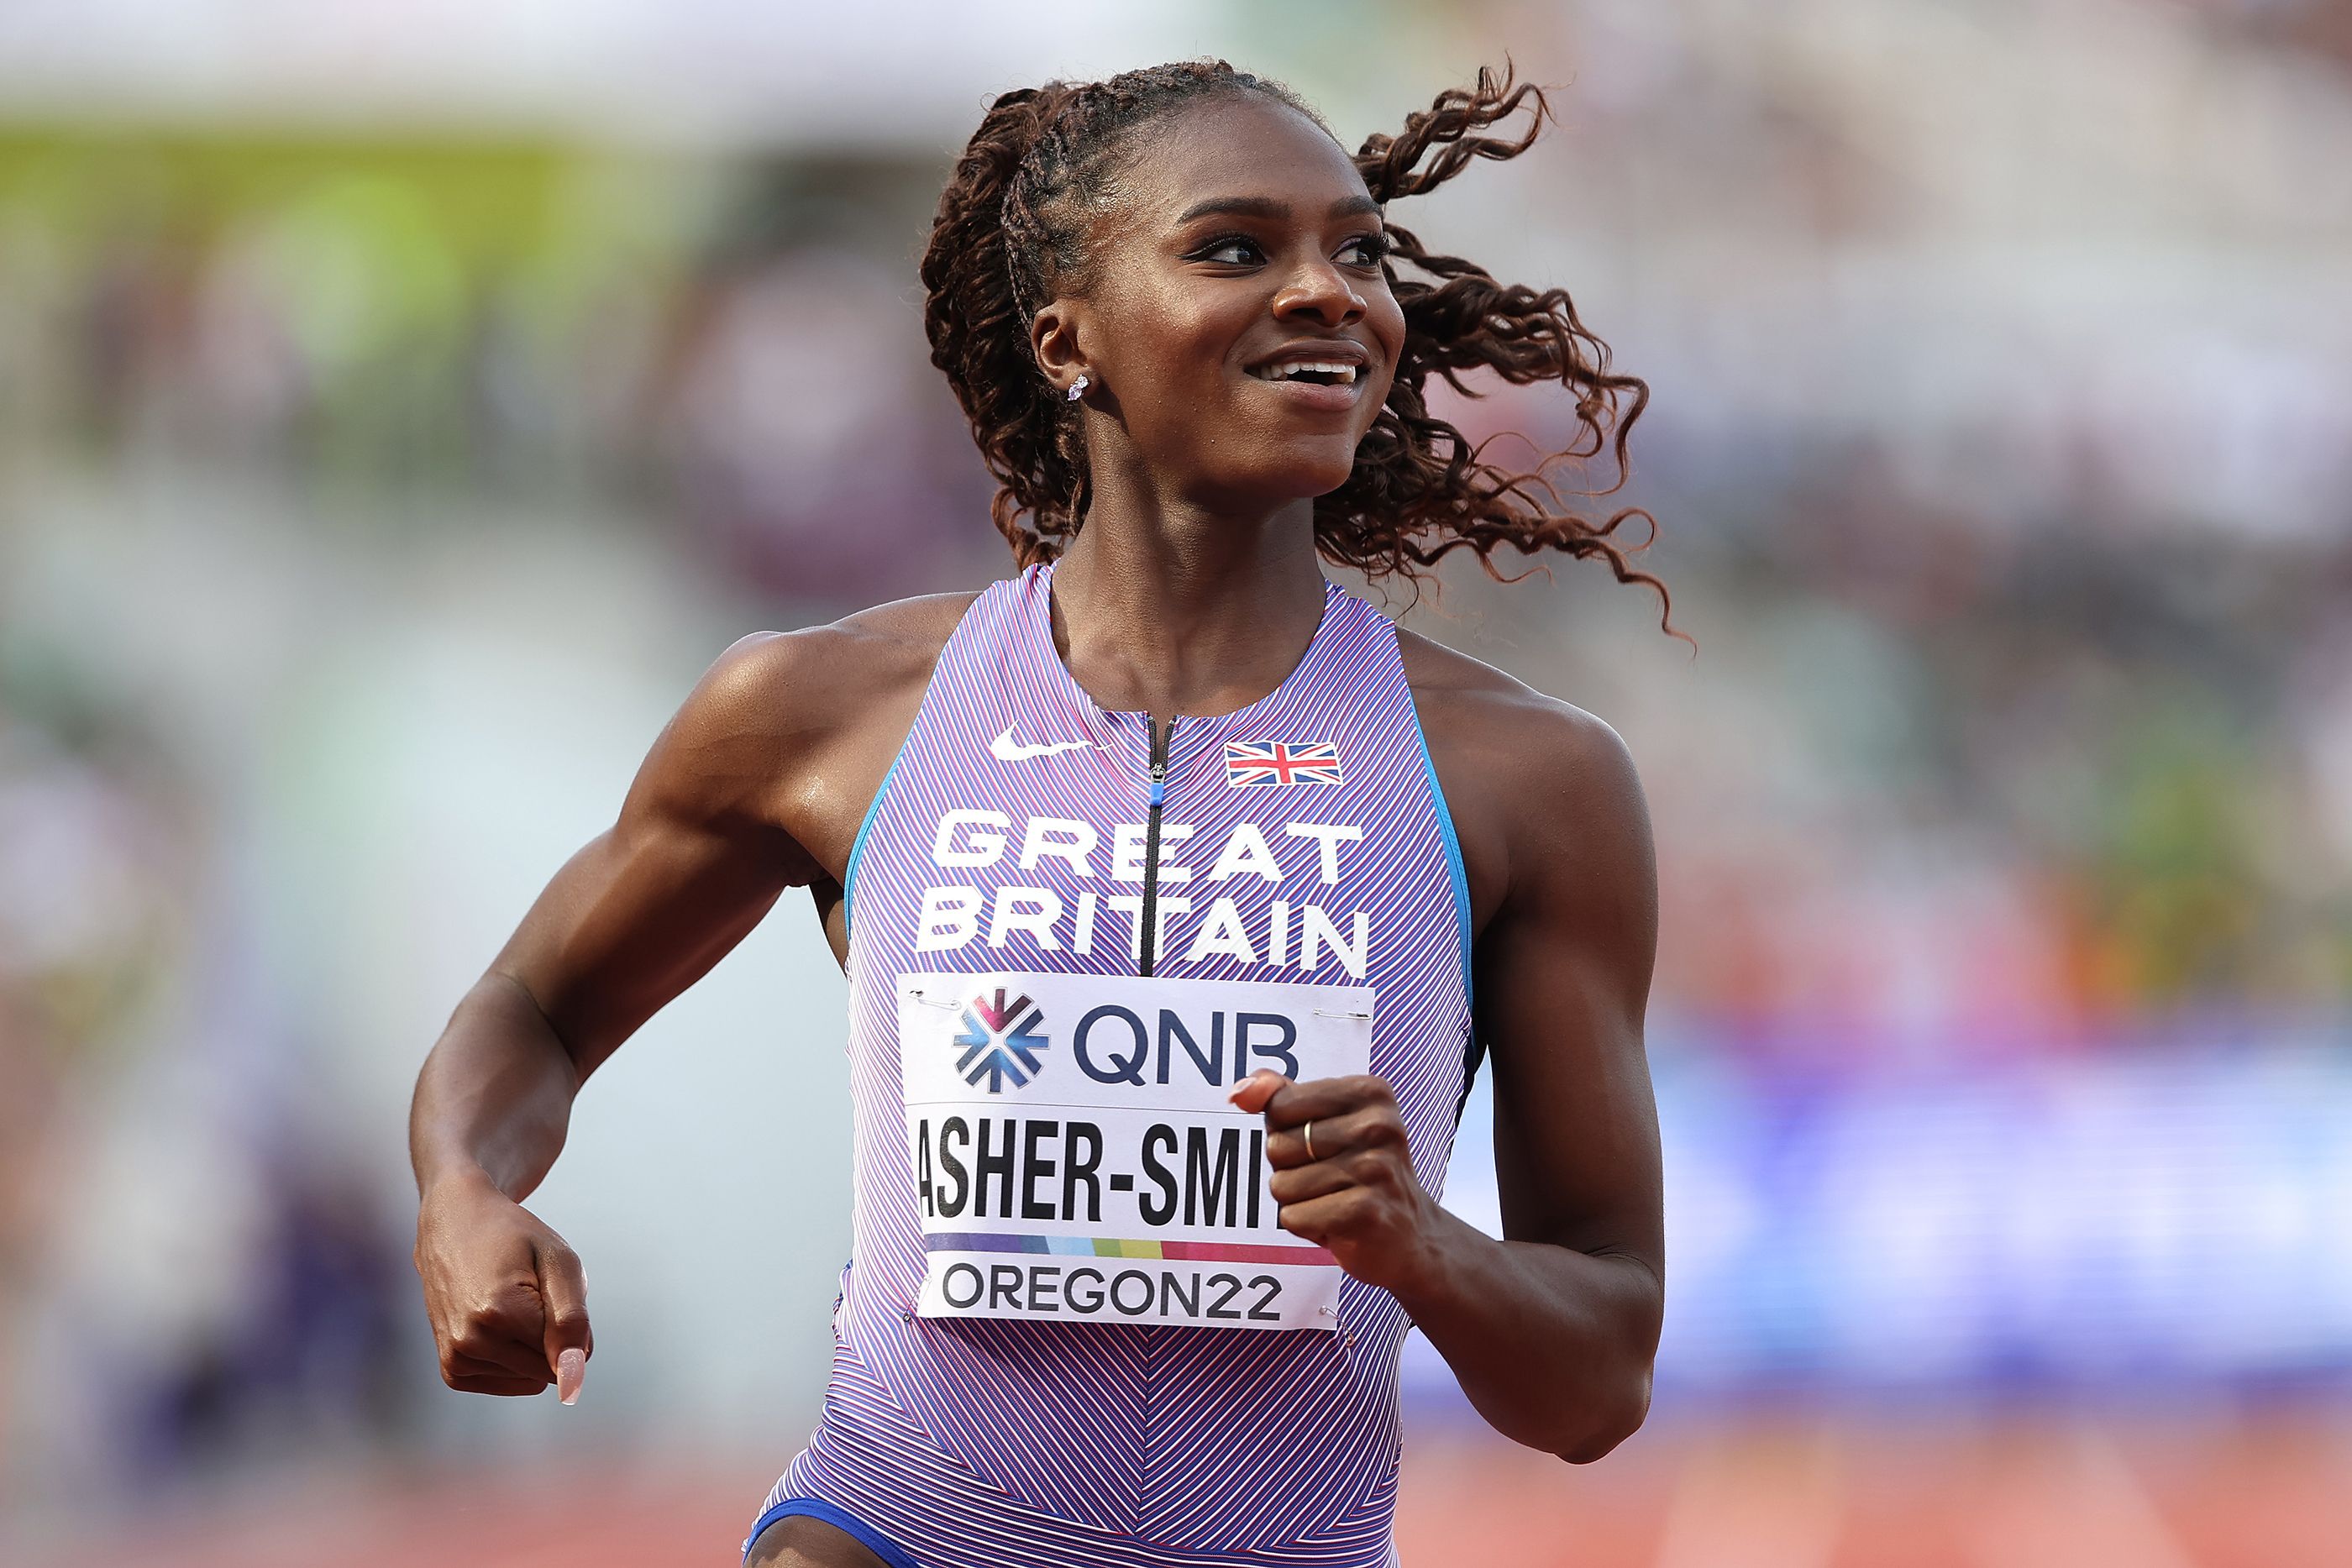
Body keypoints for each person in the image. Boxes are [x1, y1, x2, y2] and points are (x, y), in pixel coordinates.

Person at [408, 60, 1667, 1568]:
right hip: (889, 1534)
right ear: (1069, 338)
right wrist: (464, 1193)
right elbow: (533, 1008)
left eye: (1358, 251)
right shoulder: (826, 715)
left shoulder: (1526, 780)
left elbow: (1599, 1378)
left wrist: (1423, 1248)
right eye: (1235, 248)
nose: (1331, 292)